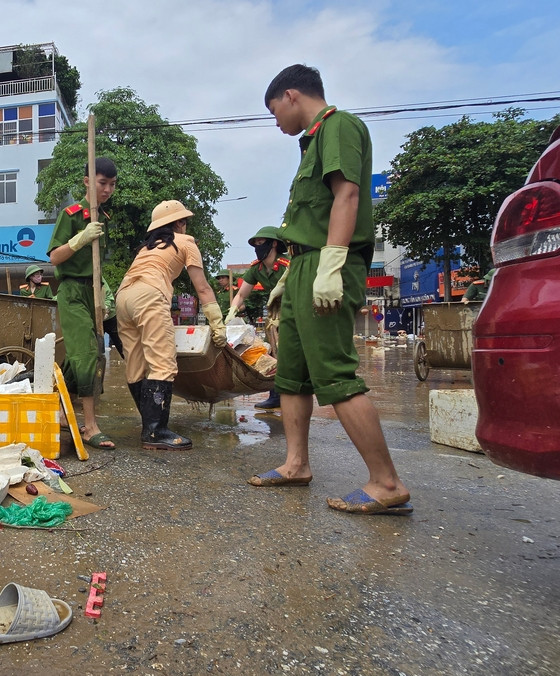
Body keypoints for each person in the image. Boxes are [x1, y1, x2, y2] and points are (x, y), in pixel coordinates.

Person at [250, 64, 411, 515]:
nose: (276, 121)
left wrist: (332, 263)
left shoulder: (339, 126)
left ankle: (387, 482)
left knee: (334, 374)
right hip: (304, 263)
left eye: (274, 110)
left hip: (327, 261)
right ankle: (296, 463)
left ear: (292, 95)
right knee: (293, 373)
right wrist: (291, 276)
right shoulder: (312, 143)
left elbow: (347, 196)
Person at [117, 200, 226, 450]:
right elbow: (202, 287)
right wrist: (217, 325)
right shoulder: (186, 242)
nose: (186, 226)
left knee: (136, 363)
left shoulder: (146, 248)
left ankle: (150, 426)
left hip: (124, 297)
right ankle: (156, 432)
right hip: (150, 295)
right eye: (184, 221)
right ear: (178, 223)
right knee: (162, 362)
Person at [47, 157, 118, 450]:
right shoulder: (71, 214)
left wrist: (105, 293)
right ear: (88, 181)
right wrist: (79, 239)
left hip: (93, 292)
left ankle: (61, 410)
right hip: (72, 291)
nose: (107, 190)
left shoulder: (104, 219)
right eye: (102, 183)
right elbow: (53, 257)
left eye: (112, 185)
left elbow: (98, 266)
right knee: (89, 352)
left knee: (80, 355)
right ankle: (90, 426)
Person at [227, 225, 290, 409]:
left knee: (290, 353)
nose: (258, 247)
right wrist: (232, 310)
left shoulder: (288, 265)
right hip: (275, 312)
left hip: (293, 308)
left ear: (274, 245)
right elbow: (241, 295)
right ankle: (276, 394)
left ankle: (295, 393)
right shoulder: (257, 268)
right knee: (273, 352)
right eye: (256, 244)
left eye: (262, 243)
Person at [101, 277, 124, 359]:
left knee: (122, 346)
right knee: (96, 350)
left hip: (110, 317)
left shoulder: (99, 279)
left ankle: (135, 368)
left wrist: (106, 310)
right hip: (95, 321)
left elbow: (108, 297)